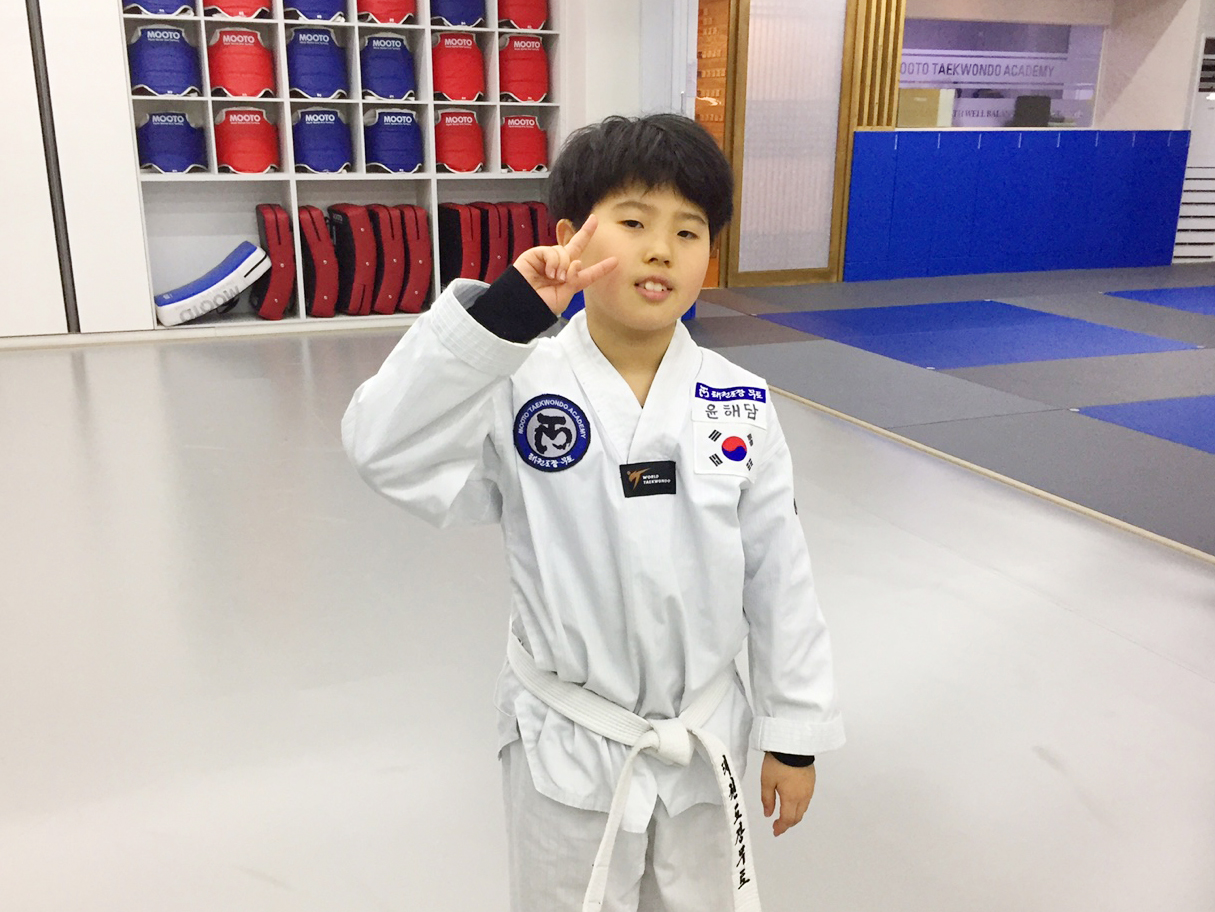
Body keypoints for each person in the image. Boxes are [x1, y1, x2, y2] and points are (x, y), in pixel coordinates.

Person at [342, 113, 845, 912]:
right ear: (570, 238)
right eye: (634, 223)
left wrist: (793, 733)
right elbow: (385, 449)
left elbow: (777, 576)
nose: (660, 250)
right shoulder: (517, 381)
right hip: (568, 738)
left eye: (687, 231)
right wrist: (505, 315)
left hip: (698, 733)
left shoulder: (739, 402)